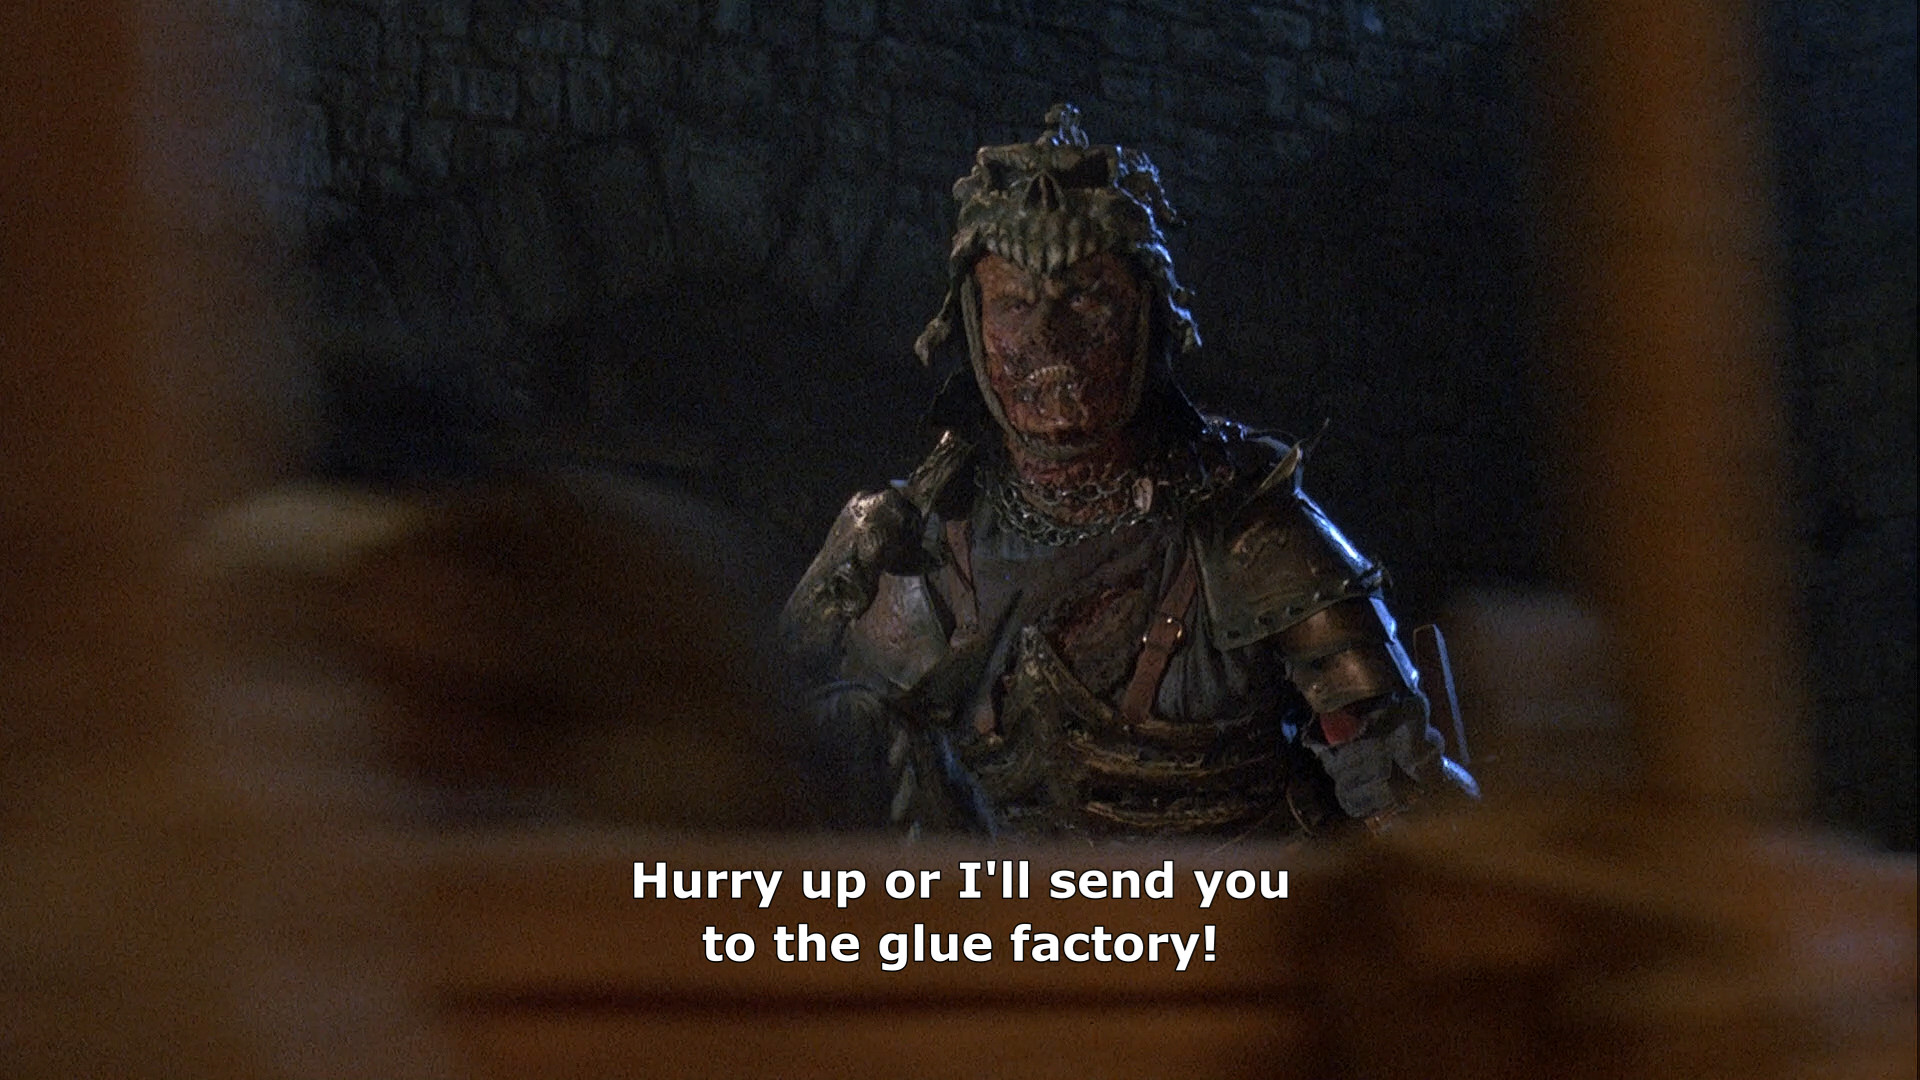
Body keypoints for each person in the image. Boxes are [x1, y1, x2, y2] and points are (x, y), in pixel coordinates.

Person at [783, 105, 1473, 840]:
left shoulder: (1251, 535)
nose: (1049, 337)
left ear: (1145, 315)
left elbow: (1404, 801)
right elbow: (783, 763)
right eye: (1015, 303)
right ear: (974, 326)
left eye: (1086, 296)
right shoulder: (915, 545)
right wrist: (819, 614)